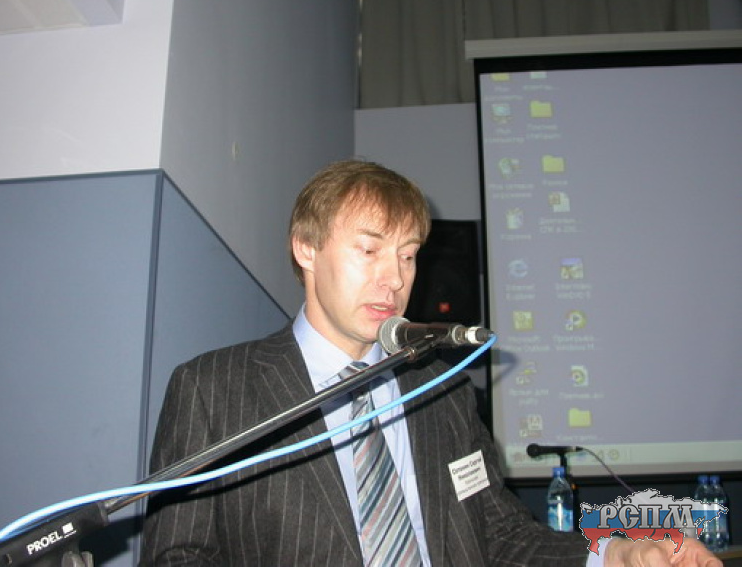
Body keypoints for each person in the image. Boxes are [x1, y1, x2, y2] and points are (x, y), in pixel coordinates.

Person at [140, 160, 720, 566]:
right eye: (370, 250)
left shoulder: (442, 390)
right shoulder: (213, 388)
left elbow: (501, 536)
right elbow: (179, 556)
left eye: (408, 255)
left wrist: (617, 554)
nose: (394, 279)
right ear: (306, 248)